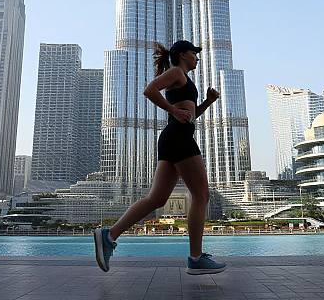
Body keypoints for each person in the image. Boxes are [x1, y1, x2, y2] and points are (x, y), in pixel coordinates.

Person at [94, 40, 226, 275]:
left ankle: (109, 234)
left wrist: (208, 101)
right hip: (179, 138)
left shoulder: (183, 77)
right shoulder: (175, 72)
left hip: (173, 138)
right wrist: (173, 110)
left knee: (156, 199)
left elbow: (191, 114)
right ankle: (196, 258)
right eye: (195, 54)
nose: (197, 58)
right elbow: (149, 90)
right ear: (184, 54)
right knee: (201, 194)